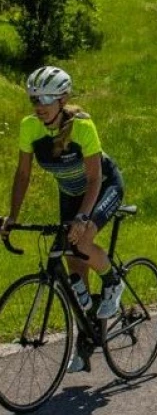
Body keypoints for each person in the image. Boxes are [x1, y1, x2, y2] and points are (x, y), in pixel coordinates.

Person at [0, 66, 126, 372]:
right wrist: (12, 217)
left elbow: (95, 178)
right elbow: (23, 174)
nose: (39, 105)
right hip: (70, 193)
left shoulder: (83, 127)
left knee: (82, 240)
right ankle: (86, 341)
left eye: (46, 97)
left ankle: (113, 281)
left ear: (63, 98)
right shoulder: (31, 127)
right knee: (73, 265)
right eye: (34, 98)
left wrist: (84, 217)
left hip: (103, 187)